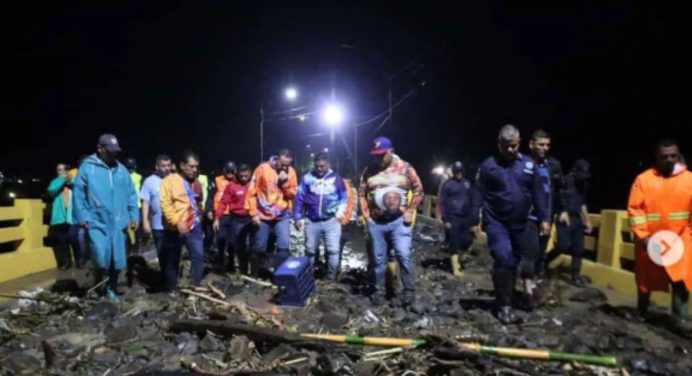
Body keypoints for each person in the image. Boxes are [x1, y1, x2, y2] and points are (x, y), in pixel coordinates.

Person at [469, 125, 550, 324]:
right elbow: (477, 192)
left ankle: (507, 295)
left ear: (519, 143)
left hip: (521, 223)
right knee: (503, 257)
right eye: (506, 147)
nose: (510, 150)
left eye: (514, 146)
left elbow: (540, 194)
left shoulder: (530, 166)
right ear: (499, 144)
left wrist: (545, 218)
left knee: (515, 261)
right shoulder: (488, 166)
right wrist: (474, 219)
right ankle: (503, 304)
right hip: (496, 221)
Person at [627, 139, 692, 331]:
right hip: (651, 239)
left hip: (681, 238)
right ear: (656, 157)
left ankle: (679, 318)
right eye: (665, 157)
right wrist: (643, 236)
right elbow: (635, 210)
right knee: (645, 276)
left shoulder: (689, 179)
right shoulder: (644, 180)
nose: (670, 160)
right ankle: (642, 311)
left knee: (681, 277)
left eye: (673, 156)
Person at [73, 134, 139, 301]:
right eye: (109, 151)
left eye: (115, 151)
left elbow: (131, 194)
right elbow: (79, 194)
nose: (113, 154)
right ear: (100, 149)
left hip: (118, 222)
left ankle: (112, 287)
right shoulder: (88, 168)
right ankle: (98, 284)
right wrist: (83, 216)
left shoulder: (121, 170)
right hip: (97, 220)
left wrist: (134, 215)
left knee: (117, 259)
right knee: (101, 256)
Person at [359, 137, 423, 305]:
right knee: (378, 259)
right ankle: (378, 291)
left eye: (382, 155)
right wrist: (366, 216)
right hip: (376, 222)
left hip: (399, 221)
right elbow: (361, 194)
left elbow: (419, 190)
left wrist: (410, 210)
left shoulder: (406, 168)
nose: (378, 158)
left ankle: (408, 291)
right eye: (376, 155)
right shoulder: (369, 170)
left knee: (403, 254)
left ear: (391, 152)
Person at [294, 152, 349, 279]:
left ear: (328, 164)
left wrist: (341, 211)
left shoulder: (336, 178)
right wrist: (297, 217)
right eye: (317, 166)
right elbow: (299, 198)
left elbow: (344, 197)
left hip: (332, 220)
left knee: (333, 250)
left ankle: (331, 277)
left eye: (322, 166)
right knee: (310, 250)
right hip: (311, 220)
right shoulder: (307, 178)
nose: (319, 169)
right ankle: (309, 276)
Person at [245, 149, 298, 277]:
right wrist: (253, 213)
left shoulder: (291, 172)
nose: (285, 167)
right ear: (277, 158)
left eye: (288, 165)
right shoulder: (262, 168)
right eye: (283, 164)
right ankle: (254, 276)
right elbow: (252, 192)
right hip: (262, 215)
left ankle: (280, 277)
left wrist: (284, 183)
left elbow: (292, 194)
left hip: (282, 215)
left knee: (284, 245)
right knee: (259, 246)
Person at [160, 151, 205, 293]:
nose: (195, 170)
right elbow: (165, 204)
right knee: (173, 258)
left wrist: (200, 215)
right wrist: (177, 222)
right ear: (182, 165)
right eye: (191, 166)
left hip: (194, 225)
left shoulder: (196, 183)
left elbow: (198, 201)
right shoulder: (169, 181)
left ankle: (195, 286)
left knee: (198, 255)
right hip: (174, 228)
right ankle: (171, 288)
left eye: (196, 167)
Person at [545, 159, 593, 286]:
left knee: (579, 249)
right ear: (574, 171)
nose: (583, 177)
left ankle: (575, 275)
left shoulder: (583, 184)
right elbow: (557, 198)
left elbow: (582, 204)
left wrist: (587, 221)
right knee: (562, 246)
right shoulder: (564, 181)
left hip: (577, 218)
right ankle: (544, 261)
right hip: (564, 217)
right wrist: (562, 211)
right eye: (581, 174)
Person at [528, 130, 565, 277]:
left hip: (546, 216)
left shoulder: (554, 165)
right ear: (532, 144)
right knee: (529, 250)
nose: (545, 148)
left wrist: (562, 210)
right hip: (527, 216)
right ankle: (526, 281)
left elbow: (560, 190)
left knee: (541, 249)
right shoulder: (523, 163)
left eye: (547, 145)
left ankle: (536, 274)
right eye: (541, 144)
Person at [214, 163, 253, 274]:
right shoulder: (231, 186)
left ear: (250, 173)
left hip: (252, 217)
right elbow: (223, 202)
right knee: (238, 245)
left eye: (246, 176)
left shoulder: (253, 184)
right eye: (241, 176)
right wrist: (217, 217)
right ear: (237, 175)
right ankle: (242, 270)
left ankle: (254, 269)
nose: (244, 179)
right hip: (237, 219)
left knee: (255, 245)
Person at [439, 161, 474, 276]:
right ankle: (455, 268)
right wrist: (445, 219)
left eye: (460, 171)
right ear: (453, 172)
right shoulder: (447, 185)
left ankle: (459, 259)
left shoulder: (467, 183)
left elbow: (472, 200)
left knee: (467, 241)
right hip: (452, 217)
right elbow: (442, 203)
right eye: (457, 171)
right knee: (454, 242)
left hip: (465, 217)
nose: (459, 173)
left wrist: (473, 216)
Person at [47, 163, 84, 269]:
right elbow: (51, 190)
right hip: (60, 218)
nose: (62, 171)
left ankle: (79, 260)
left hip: (72, 217)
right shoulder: (55, 182)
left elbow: (79, 188)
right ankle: (67, 262)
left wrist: (70, 180)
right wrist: (62, 179)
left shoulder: (73, 181)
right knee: (62, 242)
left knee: (74, 239)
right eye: (59, 170)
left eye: (64, 169)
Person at [140, 155, 172, 260]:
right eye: (163, 166)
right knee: (162, 254)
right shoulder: (149, 181)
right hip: (158, 226)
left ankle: (172, 275)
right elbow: (145, 202)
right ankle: (164, 275)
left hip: (174, 225)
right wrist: (145, 222)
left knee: (173, 255)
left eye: (168, 165)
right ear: (157, 167)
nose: (167, 168)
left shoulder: (175, 180)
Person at [207, 161, 237, 269]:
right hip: (220, 214)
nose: (230, 173)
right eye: (228, 171)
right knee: (221, 238)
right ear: (224, 170)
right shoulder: (217, 180)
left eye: (232, 171)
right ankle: (220, 259)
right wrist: (209, 210)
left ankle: (231, 262)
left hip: (234, 215)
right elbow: (210, 196)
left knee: (232, 241)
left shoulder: (238, 180)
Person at [125, 157, 143, 254]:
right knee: (132, 228)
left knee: (133, 228)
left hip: (133, 205)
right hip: (132, 205)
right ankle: (134, 247)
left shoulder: (126, 177)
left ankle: (134, 247)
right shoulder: (138, 177)